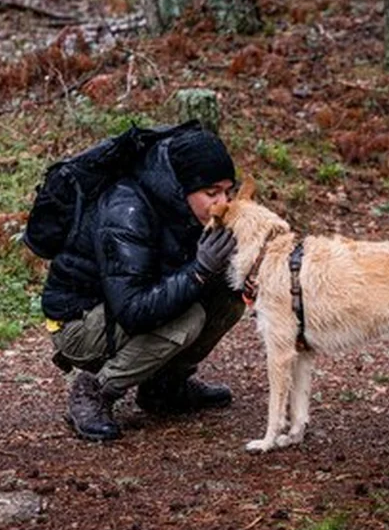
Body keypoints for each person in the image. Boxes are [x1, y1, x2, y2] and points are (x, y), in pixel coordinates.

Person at [41, 126, 243, 442]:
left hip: (120, 306)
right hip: (77, 324)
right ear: (183, 186)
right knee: (188, 319)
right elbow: (133, 311)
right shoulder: (127, 210)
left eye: (228, 192)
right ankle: (94, 392)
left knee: (229, 294)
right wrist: (200, 270)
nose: (224, 203)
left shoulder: (182, 205)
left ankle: (163, 388)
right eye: (212, 192)